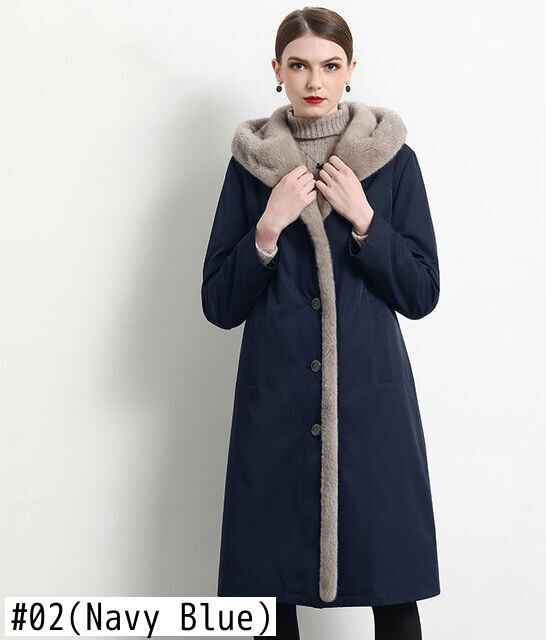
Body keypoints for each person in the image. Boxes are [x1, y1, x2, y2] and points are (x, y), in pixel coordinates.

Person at [201, 7, 441, 639]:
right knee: (266, 595)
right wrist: (268, 227)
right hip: (276, 406)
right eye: (300, 65)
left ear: (350, 69)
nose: (315, 81)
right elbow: (219, 304)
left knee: (393, 588)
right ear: (277, 69)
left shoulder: (393, 162)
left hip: (370, 410)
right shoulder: (251, 166)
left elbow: (421, 292)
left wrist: (366, 220)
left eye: (330, 66)